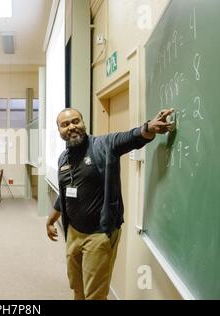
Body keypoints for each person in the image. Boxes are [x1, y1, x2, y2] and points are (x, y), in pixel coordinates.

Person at [45, 107, 175, 300]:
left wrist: (148, 128)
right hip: (73, 233)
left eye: (75, 121)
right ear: (59, 131)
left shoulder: (103, 145)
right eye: (65, 124)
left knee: (95, 294)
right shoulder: (64, 158)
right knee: (77, 287)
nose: (71, 127)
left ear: (83, 123)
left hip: (98, 235)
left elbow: (129, 137)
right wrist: (51, 220)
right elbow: (65, 195)